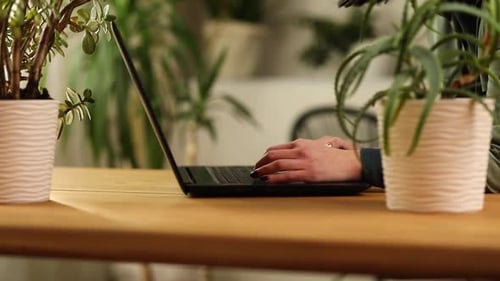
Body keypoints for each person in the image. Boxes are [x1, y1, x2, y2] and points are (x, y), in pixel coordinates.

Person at [252, 0, 500, 193]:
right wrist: (360, 158)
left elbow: (496, 163)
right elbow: (465, 147)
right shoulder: (443, 16)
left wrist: (364, 163)